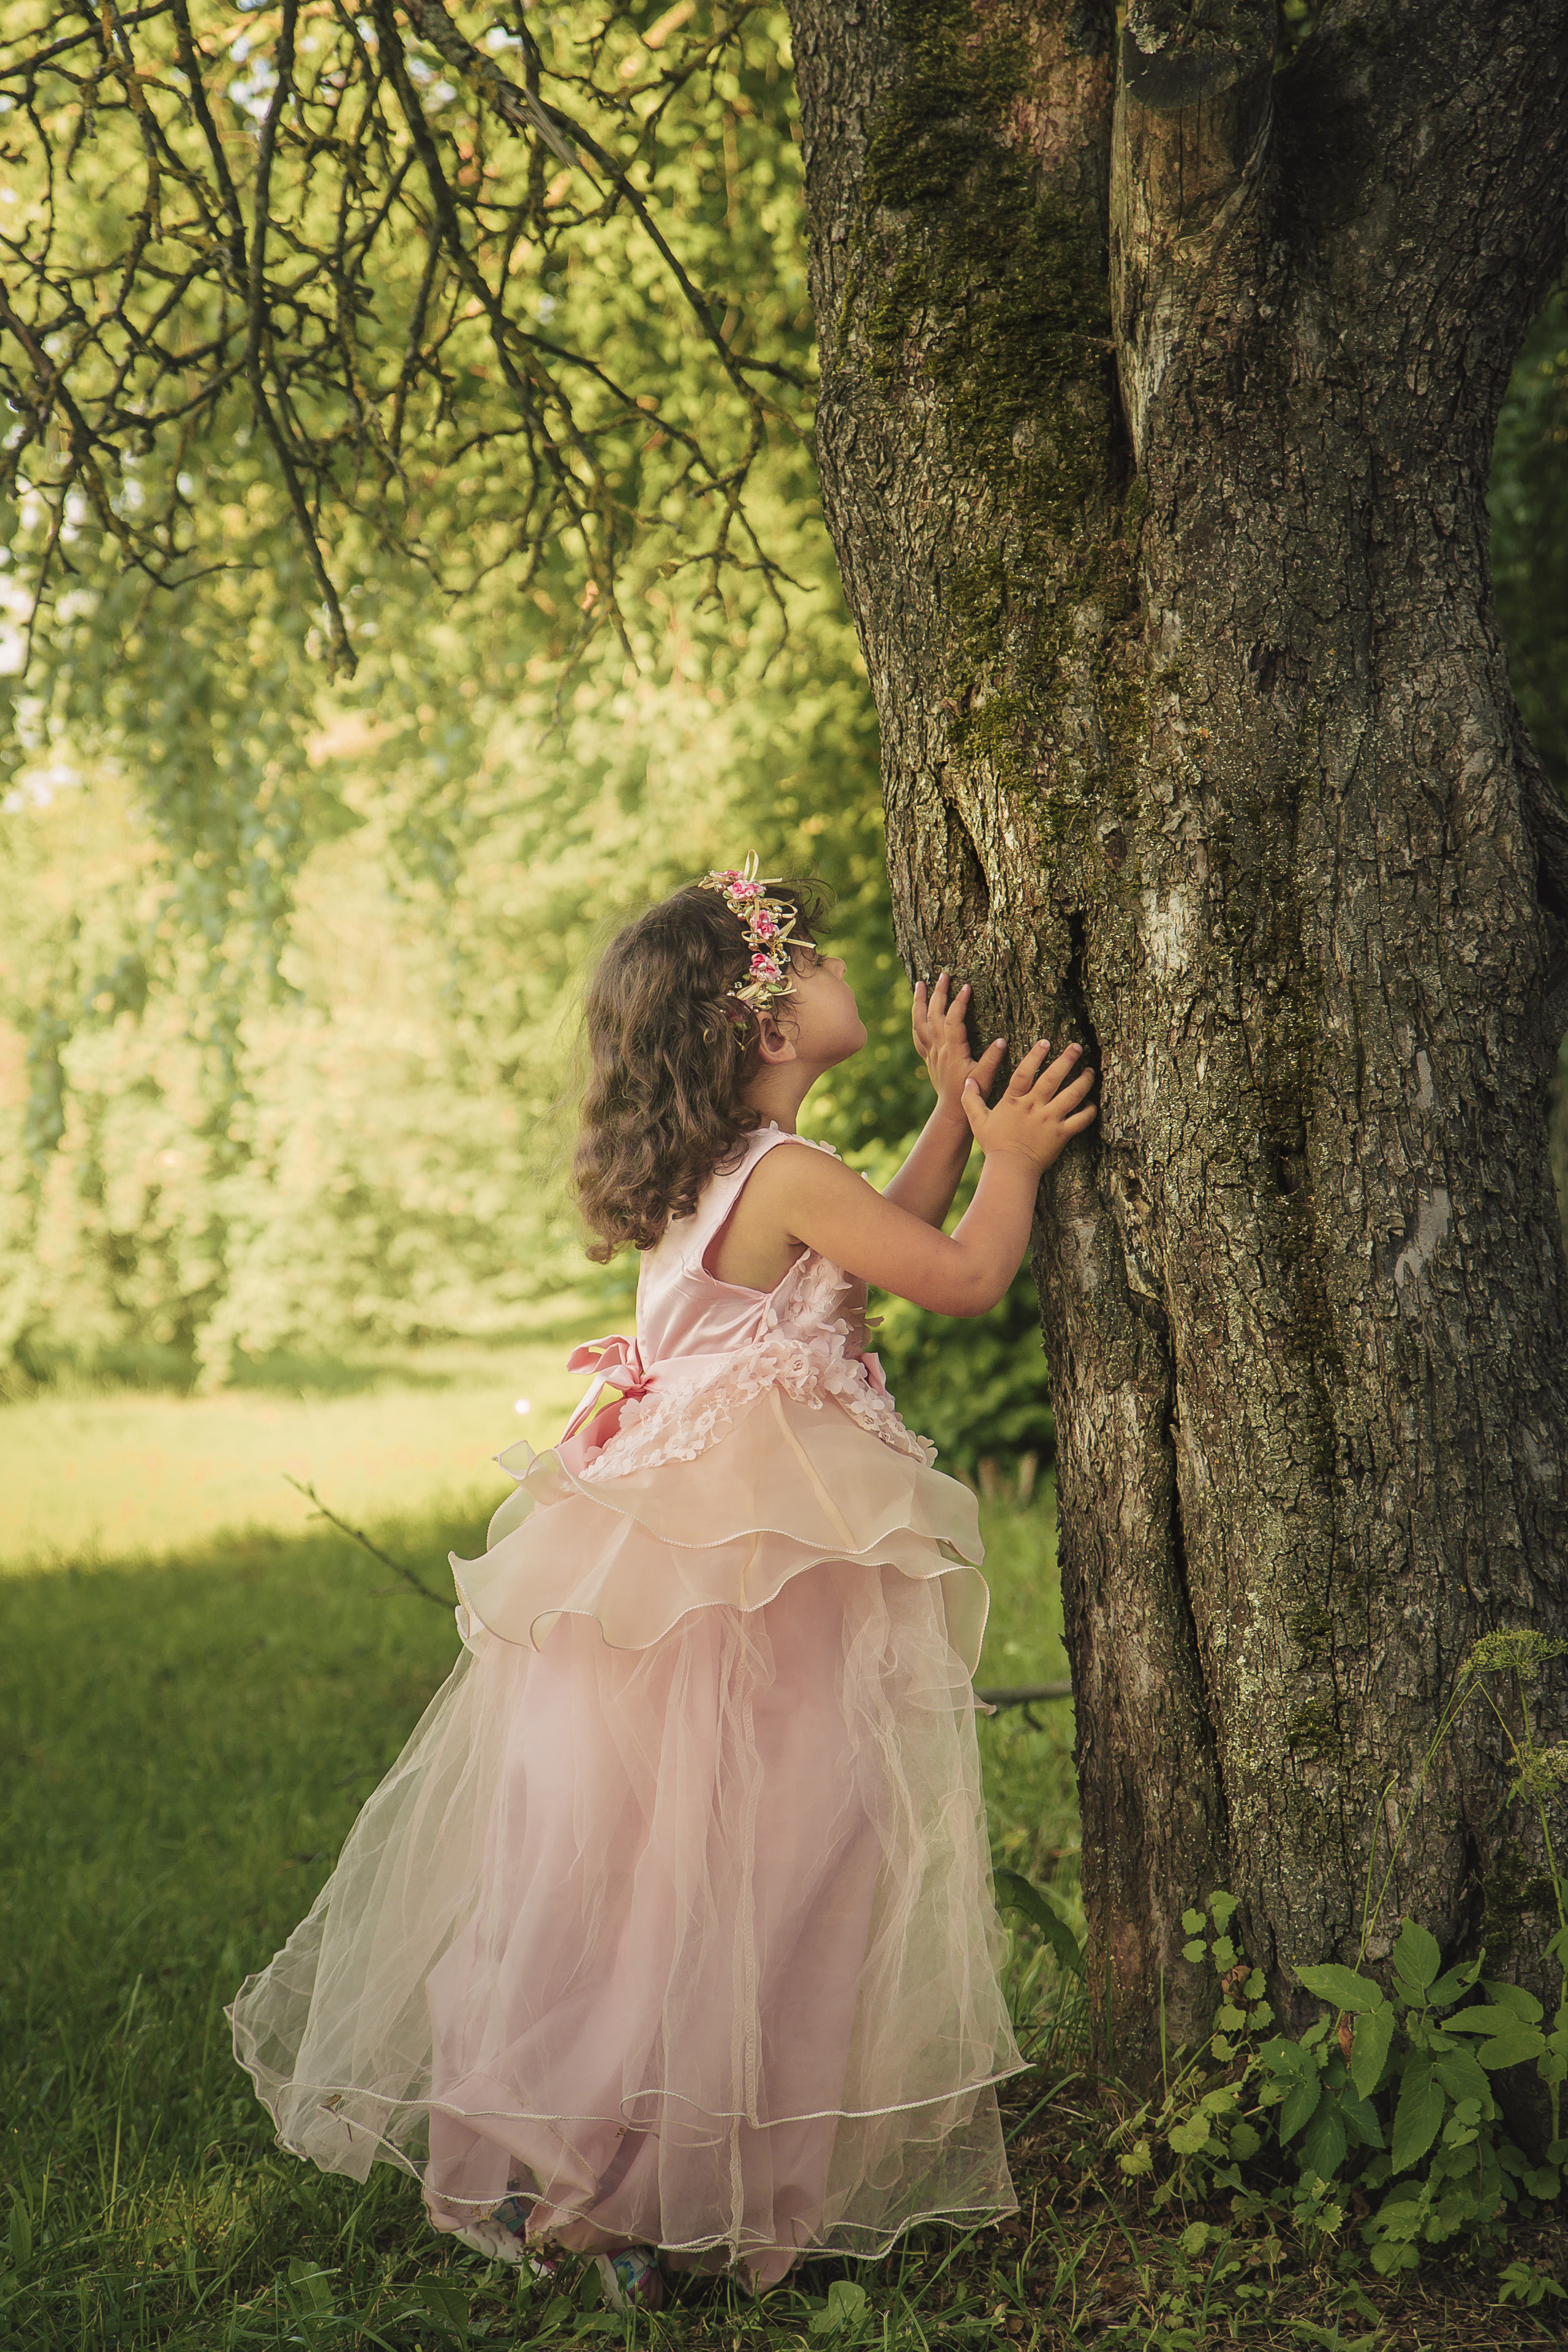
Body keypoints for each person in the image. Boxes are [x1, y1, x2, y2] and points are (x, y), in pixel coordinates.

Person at [229, 861, 1097, 2309]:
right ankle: (640, 2189)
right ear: (760, 1024)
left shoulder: (732, 1180)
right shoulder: (782, 1177)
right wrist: (1010, 1154)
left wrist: (953, 1110)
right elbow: (948, 1275)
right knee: (768, 1871)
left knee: (688, 1884)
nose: (831, 966)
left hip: (708, 1579)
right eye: (803, 955)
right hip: (758, 1589)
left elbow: (856, 1257)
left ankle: (620, 2190)